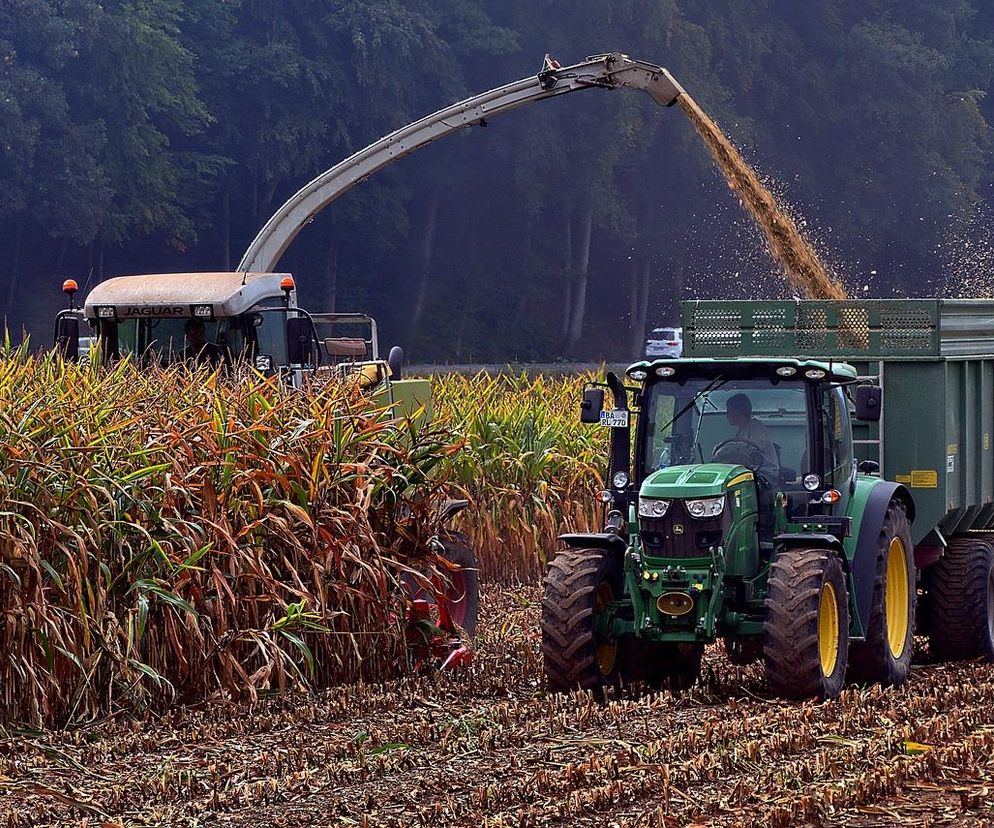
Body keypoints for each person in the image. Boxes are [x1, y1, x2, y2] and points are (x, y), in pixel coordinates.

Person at [721, 393, 779, 480]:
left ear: (738, 411)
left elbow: (750, 451)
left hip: (765, 475)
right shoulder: (741, 432)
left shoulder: (756, 426)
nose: (727, 416)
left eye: (729, 411)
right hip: (750, 473)